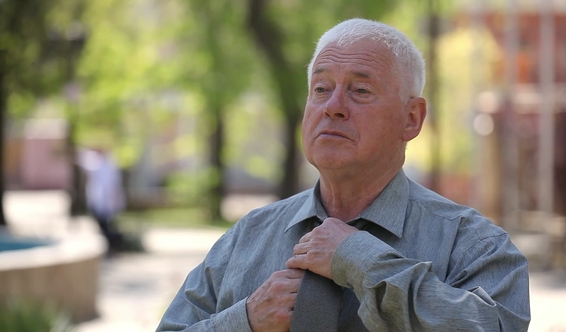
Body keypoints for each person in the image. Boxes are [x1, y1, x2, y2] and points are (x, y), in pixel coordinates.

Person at [156, 18, 530, 331]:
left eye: (360, 90)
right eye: (321, 89)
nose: (333, 107)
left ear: (411, 118)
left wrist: (360, 260)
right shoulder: (247, 237)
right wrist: (246, 320)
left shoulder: (473, 245)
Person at [78, 147, 126, 253]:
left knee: (105, 225)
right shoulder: (104, 164)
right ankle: (112, 245)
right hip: (101, 200)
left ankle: (113, 245)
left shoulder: (106, 165)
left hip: (104, 201)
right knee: (104, 225)